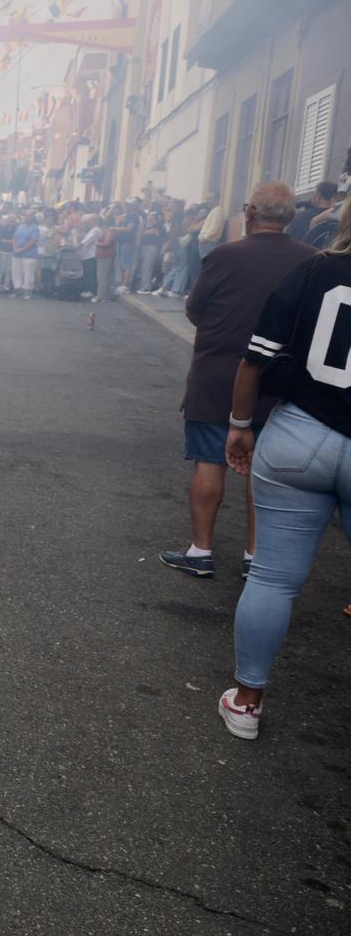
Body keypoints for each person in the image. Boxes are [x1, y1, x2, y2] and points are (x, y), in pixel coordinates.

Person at [218, 199, 351, 739]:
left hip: (302, 430)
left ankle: (246, 703)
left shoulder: (315, 269)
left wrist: (239, 424)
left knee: (272, 578)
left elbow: (256, 358)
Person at [159, 183, 319, 579]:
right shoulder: (311, 259)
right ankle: (255, 556)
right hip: (279, 378)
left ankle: (200, 551)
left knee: (209, 461)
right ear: (291, 217)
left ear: (249, 213)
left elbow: (195, 308)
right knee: (263, 470)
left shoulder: (224, 255)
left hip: (218, 373)